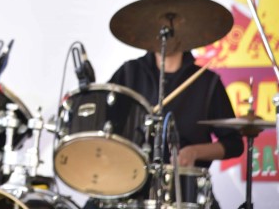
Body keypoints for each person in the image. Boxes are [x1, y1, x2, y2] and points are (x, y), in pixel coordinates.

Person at [104, 49, 244, 208]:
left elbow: (234, 144)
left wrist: (194, 152)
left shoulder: (206, 81)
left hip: (186, 191)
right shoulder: (129, 73)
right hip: (129, 186)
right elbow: (103, 123)